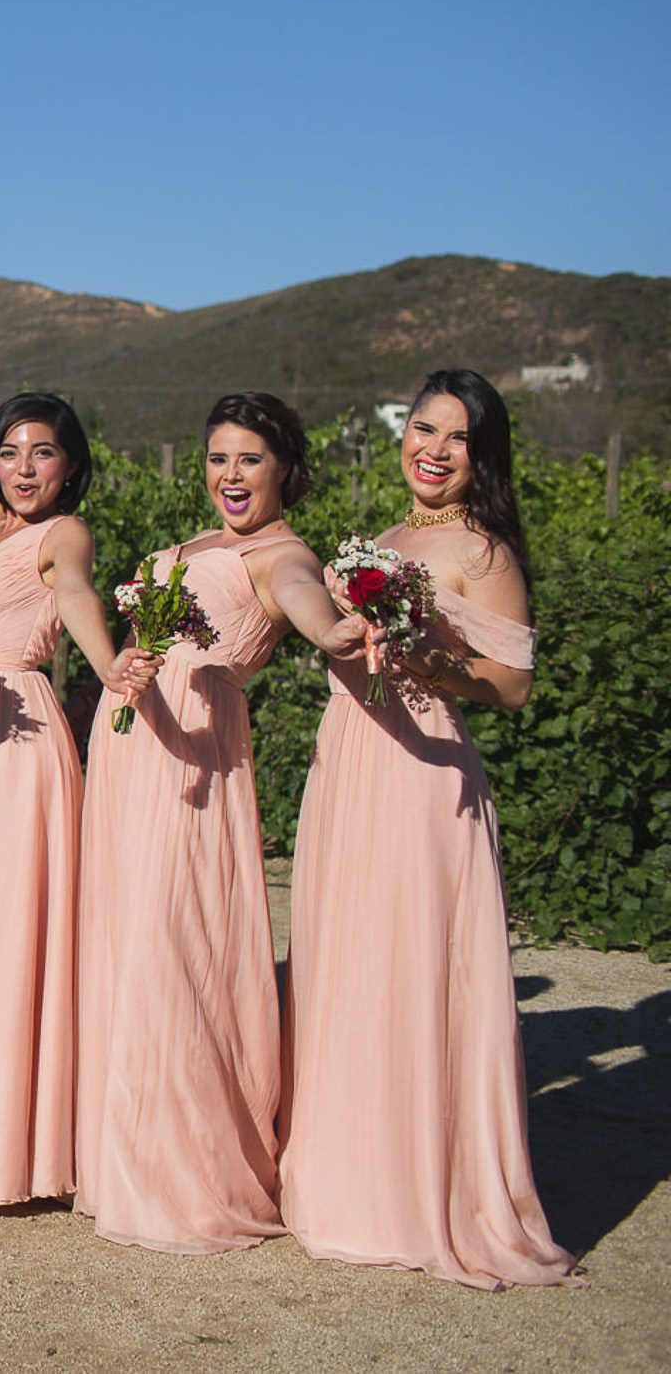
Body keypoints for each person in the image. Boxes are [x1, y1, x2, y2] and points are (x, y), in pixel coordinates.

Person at [279, 371, 578, 1287]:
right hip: (348, 763)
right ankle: (342, 1176)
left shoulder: (482, 551)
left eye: (457, 438)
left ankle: (411, 1191)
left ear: (481, 455)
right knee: (346, 964)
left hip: (420, 773)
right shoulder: (386, 539)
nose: (433, 450)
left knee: (409, 970)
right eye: (422, 429)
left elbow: (514, 684)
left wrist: (433, 664)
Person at [76, 392, 366, 1254]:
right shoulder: (194, 545)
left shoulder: (284, 554)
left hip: (193, 758)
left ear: (284, 468)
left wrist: (334, 629)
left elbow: (305, 600)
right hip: (128, 746)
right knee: (127, 940)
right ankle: (115, 1147)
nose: (229, 475)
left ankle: (182, 1171)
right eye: (217, 458)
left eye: (249, 459)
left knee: (176, 945)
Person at [0, 223, 120, 1206]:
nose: (22, 464)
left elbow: (79, 597)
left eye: (45, 452)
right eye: (10, 451)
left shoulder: (63, 533)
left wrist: (116, 670)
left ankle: (15, 1152)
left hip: (21, 735)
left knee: (11, 935)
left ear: (71, 466)